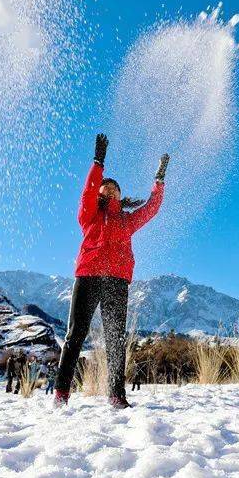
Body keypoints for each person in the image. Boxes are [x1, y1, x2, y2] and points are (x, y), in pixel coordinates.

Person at [54, 133, 168, 409]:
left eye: (114, 188)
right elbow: (88, 192)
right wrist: (98, 162)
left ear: (119, 194)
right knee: (75, 335)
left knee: (116, 339)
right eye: (105, 188)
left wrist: (159, 181)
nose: (109, 189)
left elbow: (151, 209)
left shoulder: (126, 221)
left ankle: (116, 396)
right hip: (89, 275)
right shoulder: (89, 215)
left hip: (117, 281)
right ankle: (61, 394)